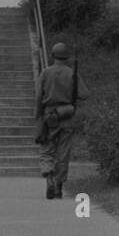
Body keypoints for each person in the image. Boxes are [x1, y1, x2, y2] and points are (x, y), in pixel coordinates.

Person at [35, 42, 89, 200]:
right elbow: (85, 94)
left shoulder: (45, 72)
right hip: (67, 117)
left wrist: (37, 115)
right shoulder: (72, 73)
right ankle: (59, 187)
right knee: (63, 154)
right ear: (66, 57)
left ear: (52, 56)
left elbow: (39, 97)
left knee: (46, 151)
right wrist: (71, 93)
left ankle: (49, 178)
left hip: (48, 117)